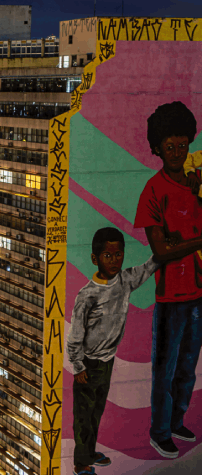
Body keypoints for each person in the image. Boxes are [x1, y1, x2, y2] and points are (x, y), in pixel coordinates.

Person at [134, 101, 202, 459]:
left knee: (188, 367)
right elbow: (160, 250)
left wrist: (183, 242)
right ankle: (160, 432)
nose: (177, 152)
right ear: (157, 148)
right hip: (170, 298)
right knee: (165, 369)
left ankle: (177, 422)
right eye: (169, 146)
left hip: (199, 292)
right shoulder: (152, 190)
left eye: (182, 145)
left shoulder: (195, 185)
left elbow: (178, 241)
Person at [67, 227, 161, 475]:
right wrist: (78, 366)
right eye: (107, 256)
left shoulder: (125, 280)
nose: (114, 260)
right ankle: (80, 463)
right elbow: (75, 335)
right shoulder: (87, 295)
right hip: (88, 364)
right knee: (83, 417)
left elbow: (149, 267)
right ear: (94, 258)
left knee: (97, 412)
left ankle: (90, 452)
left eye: (118, 254)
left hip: (107, 362)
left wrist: (163, 250)